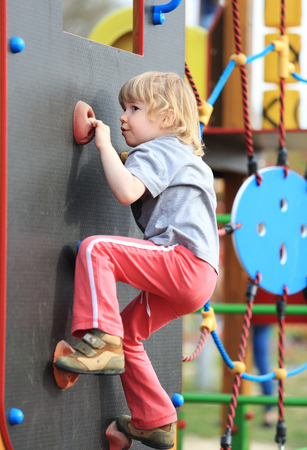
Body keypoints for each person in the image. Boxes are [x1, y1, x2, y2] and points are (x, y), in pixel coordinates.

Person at [55, 72, 219, 449]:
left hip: (181, 261)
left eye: (134, 108)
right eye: (122, 108)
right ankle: (155, 419)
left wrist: (104, 146)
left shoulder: (159, 149)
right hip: (200, 277)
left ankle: (100, 342)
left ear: (167, 118)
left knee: (96, 249)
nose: (124, 117)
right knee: (129, 334)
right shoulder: (184, 157)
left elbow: (127, 191)